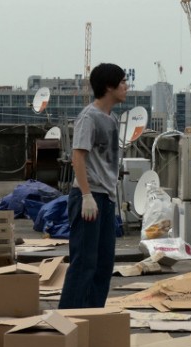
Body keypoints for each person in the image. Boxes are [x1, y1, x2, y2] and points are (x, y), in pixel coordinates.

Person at [59, 63, 127, 309]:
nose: (126, 87)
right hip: (89, 198)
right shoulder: (89, 117)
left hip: (106, 198)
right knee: (84, 263)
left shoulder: (113, 118)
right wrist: (86, 195)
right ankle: (68, 321)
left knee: (103, 264)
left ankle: (93, 317)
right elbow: (78, 156)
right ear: (109, 87)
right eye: (121, 82)